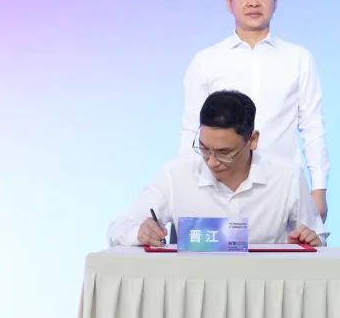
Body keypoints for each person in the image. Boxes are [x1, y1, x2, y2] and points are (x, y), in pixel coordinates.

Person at [178, 0, 330, 220]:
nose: (253, 3)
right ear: (229, 2)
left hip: (282, 186)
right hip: (220, 187)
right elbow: (192, 128)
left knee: (288, 248)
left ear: (275, 1)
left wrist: (319, 189)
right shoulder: (206, 60)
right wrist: (184, 188)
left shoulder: (298, 58)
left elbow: (313, 127)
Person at [111, 90, 324, 247]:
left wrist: (309, 242)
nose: (211, 162)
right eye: (204, 148)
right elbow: (118, 228)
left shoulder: (286, 177)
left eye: (224, 152)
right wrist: (140, 233)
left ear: (253, 140)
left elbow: (317, 239)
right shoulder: (175, 175)